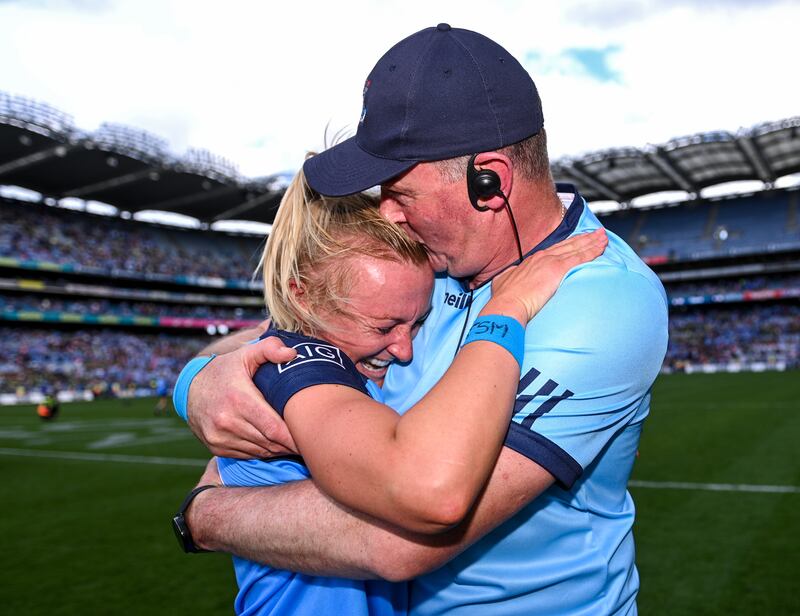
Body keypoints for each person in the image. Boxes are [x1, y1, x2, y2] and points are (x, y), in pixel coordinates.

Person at [175, 24, 669, 615]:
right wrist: (198, 381)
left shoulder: (601, 301)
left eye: (400, 190)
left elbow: (404, 535)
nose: (385, 211)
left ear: (489, 182)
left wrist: (202, 516)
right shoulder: (426, 257)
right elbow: (284, 334)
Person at [179, 164, 606, 616]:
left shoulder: (322, 349)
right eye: (384, 325)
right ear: (303, 297)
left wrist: (192, 378)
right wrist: (506, 309)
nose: (404, 349)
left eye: (416, 322)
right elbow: (417, 498)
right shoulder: (300, 368)